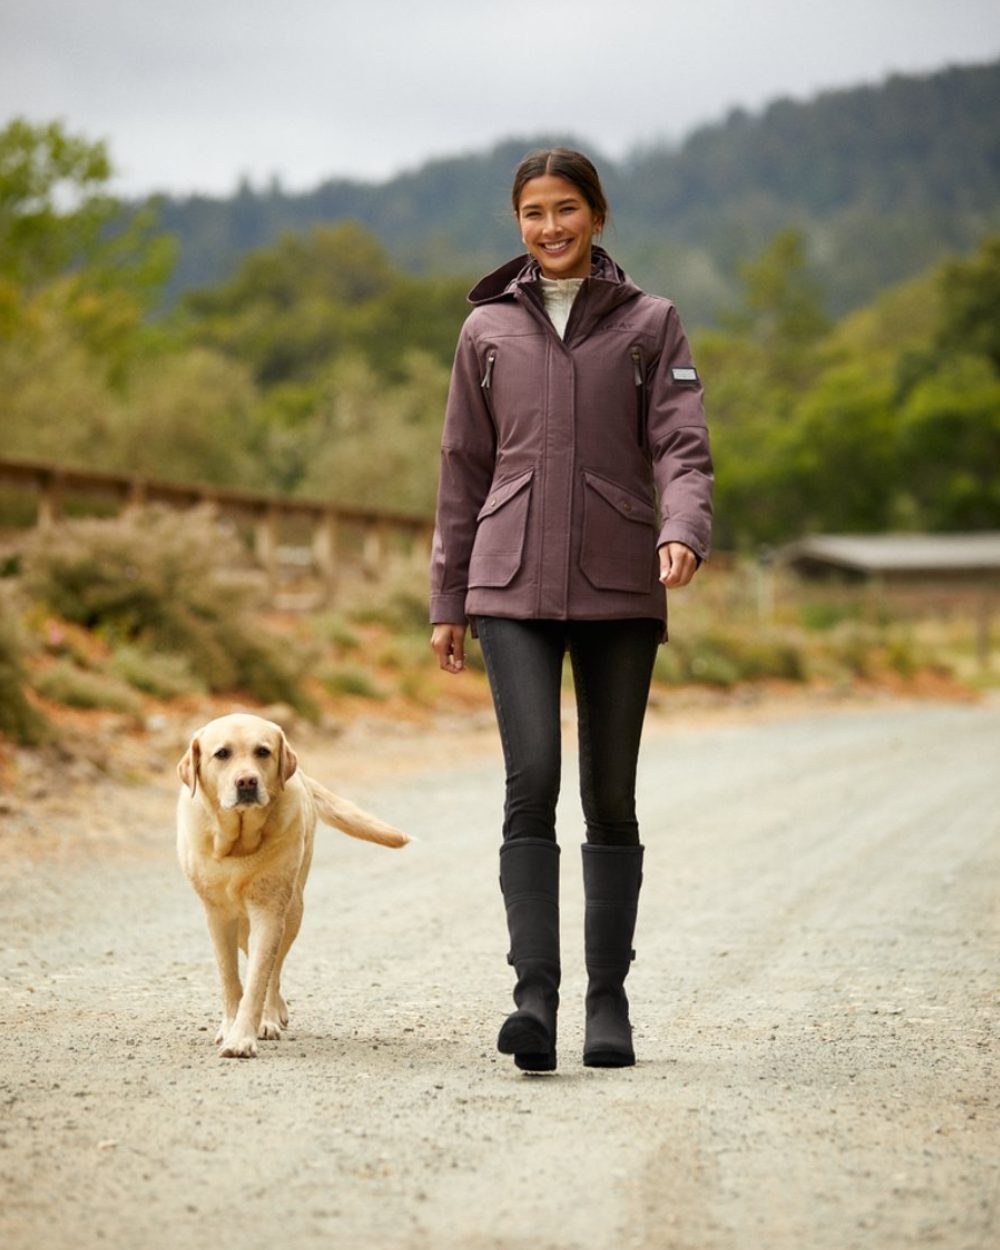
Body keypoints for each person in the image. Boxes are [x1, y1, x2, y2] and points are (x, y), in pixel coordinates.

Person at [429, 148, 713, 1073]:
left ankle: (608, 1004)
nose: (548, 228)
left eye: (565, 210)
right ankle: (534, 1000)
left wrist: (682, 527)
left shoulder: (651, 324)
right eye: (532, 214)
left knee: (610, 793)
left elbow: (682, 446)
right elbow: (462, 470)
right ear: (518, 223)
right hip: (508, 584)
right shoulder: (484, 332)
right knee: (531, 779)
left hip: (621, 584)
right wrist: (448, 596)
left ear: (597, 215)